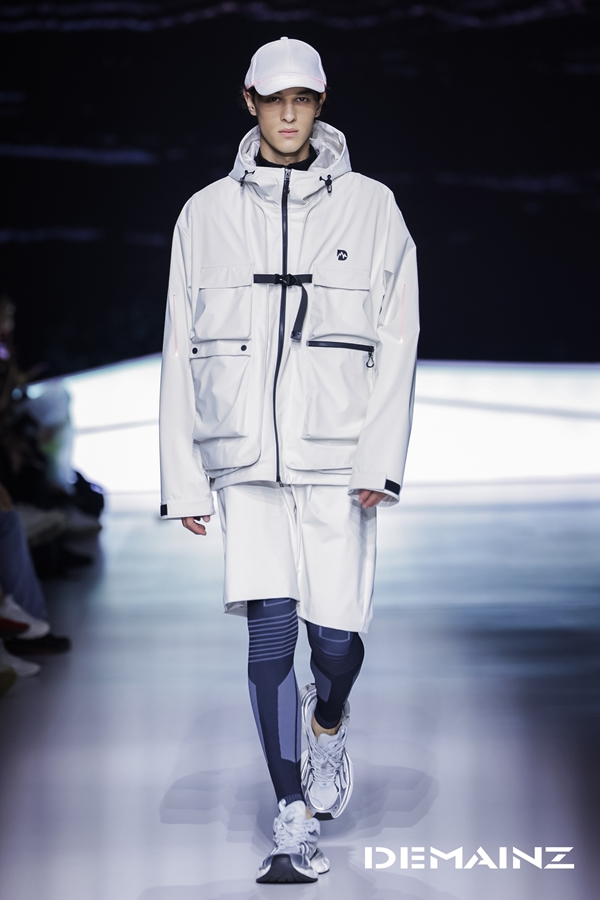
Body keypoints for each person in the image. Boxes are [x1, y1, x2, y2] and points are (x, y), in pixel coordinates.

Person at [159, 37, 419, 884]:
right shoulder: (204, 215)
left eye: (302, 99)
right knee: (270, 633)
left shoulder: (372, 208)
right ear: (250, 102)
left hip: (338, 457)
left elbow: (400, 339)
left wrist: (380, 459)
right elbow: (178, 347)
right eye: (275, 100)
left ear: (320, 102)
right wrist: (182, 476)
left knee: (334, 642)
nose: (289, 114)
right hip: (245, 459)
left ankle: (329, 724)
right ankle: (291, 814)